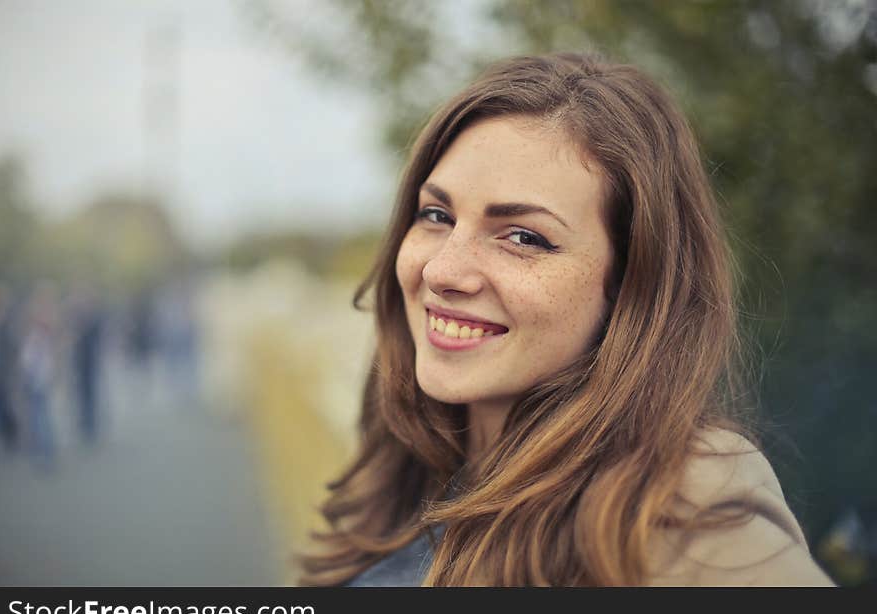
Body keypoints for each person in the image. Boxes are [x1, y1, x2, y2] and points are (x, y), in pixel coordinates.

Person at [299, 52, 835, 586]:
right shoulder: (411, 465)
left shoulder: (681, 500)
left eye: (524, 237)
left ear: (631, 286)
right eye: (436, 215)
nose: (443, 270)